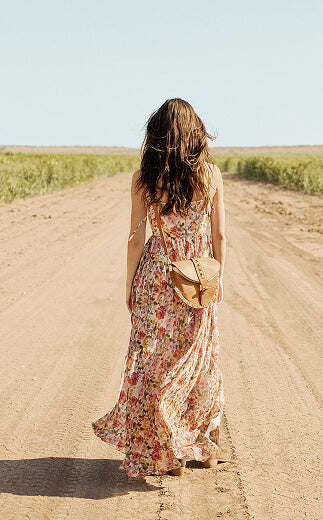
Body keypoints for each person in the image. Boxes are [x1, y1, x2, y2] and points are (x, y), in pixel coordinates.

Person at [92, 98, 231, 478]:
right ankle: (198, 446)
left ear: (156, 135)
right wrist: (219, 280)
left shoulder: (143, 179)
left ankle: (162, 448)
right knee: (198, 363)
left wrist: (129, 283)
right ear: (196, 134)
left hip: (157, 274)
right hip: (197, 278)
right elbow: (219, 234)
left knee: (152, 360)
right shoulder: (212, 175)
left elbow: (136, 238)